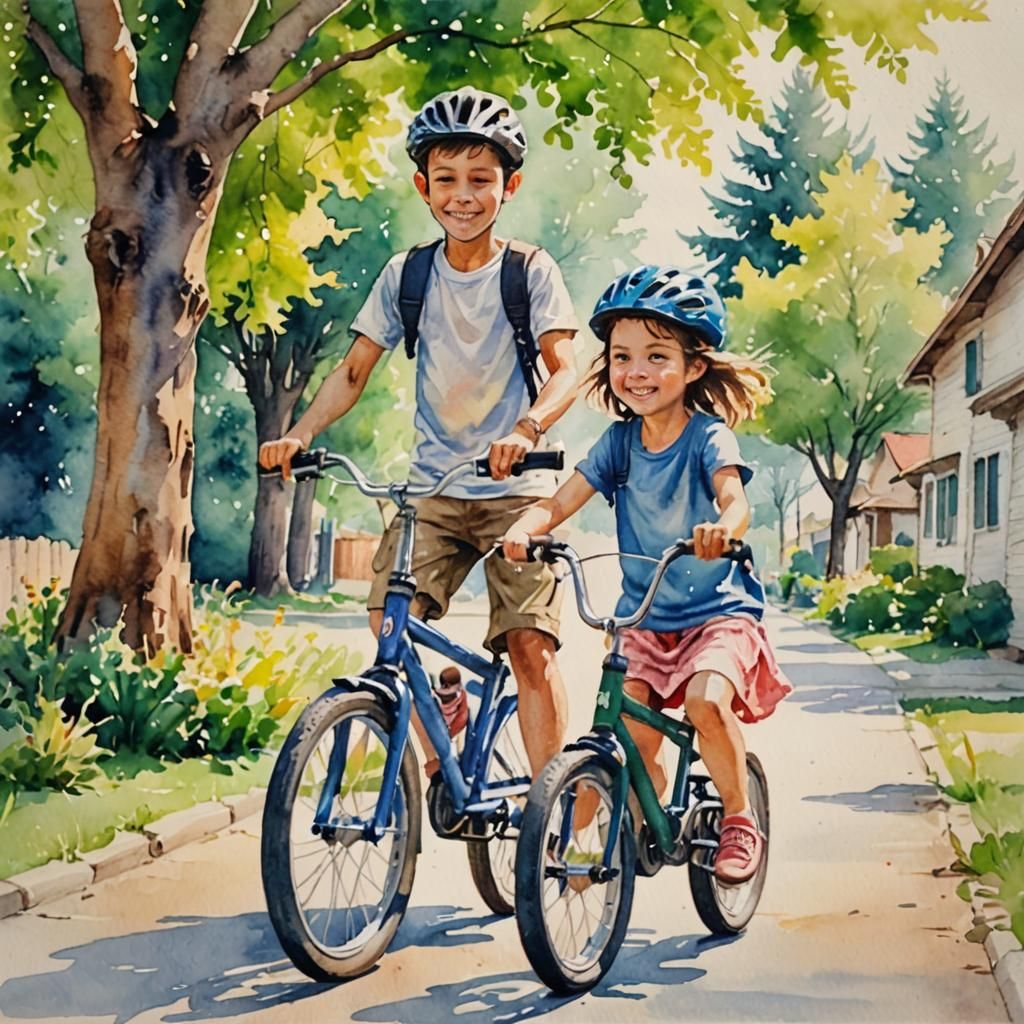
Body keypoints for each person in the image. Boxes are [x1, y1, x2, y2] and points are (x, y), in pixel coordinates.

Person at [258, 87, 579, 780]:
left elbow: (570, 370)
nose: (463, 196)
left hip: (519, 492)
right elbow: (353, 371)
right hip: (435, 488)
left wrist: (526, 430)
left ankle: (551, 810)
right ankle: (442, 746)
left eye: (480, 180)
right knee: (389, 622)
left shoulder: (530, 272)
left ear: (509, 186)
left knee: (529, 646)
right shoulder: (408, 274)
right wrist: (299, 433)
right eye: (447, 180)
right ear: (423, 187)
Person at [502, 264, 792, 884]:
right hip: (646, 619)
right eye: (622, 356)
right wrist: (528, 526)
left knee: (705, 701)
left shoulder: (708, 437)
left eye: (657, 356)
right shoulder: (618, 443)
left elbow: (734, 500)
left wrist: (723, 530)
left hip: (718, 614)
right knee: (627, 735)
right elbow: (563, 499)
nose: (636, 371)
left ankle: (739, 817)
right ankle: (613, 829)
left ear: (694, 368)